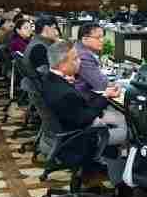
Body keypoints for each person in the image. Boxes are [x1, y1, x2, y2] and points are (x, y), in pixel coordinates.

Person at [43, 41, 127, 183]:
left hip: (65, 131)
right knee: (128, 131)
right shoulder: (65, 93)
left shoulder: (50, 79)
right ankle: (121, 179)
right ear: (62, 65)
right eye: (75, 59)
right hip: (81, 139)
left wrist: (104, 95)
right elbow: (86, 118)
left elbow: (79, 108)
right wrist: (105, 97)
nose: (79, 61)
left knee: (118, 118)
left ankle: (108, 166)